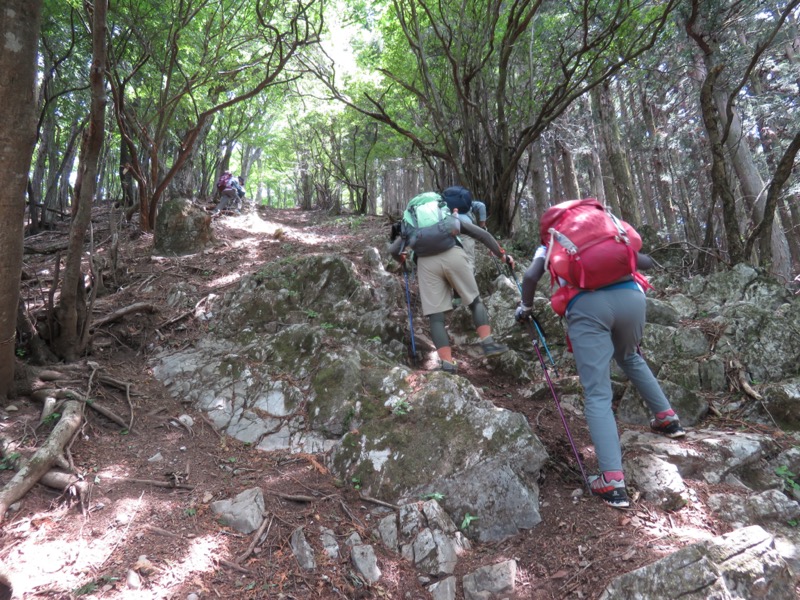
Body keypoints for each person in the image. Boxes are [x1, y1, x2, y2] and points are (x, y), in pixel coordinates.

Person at [515, 244, 685, 509]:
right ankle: (668, 419)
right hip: (632, 299)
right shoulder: (608, 238)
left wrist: (525, 307)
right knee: (629, 357)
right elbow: (645, 261)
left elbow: (529, 277)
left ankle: (612, 481)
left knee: (597, 392)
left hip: (588, 305)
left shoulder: (549, 244)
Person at [389, 194, 515, 373]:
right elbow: (482, 235)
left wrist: (402, 259)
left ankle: (447, 364)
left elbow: (394, 249)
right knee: (474, 301)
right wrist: (502, 255)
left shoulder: (411, 224)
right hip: (453, 254)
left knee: (436, 317)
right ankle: (488, 343)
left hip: (426, 264)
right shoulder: (446, 217)